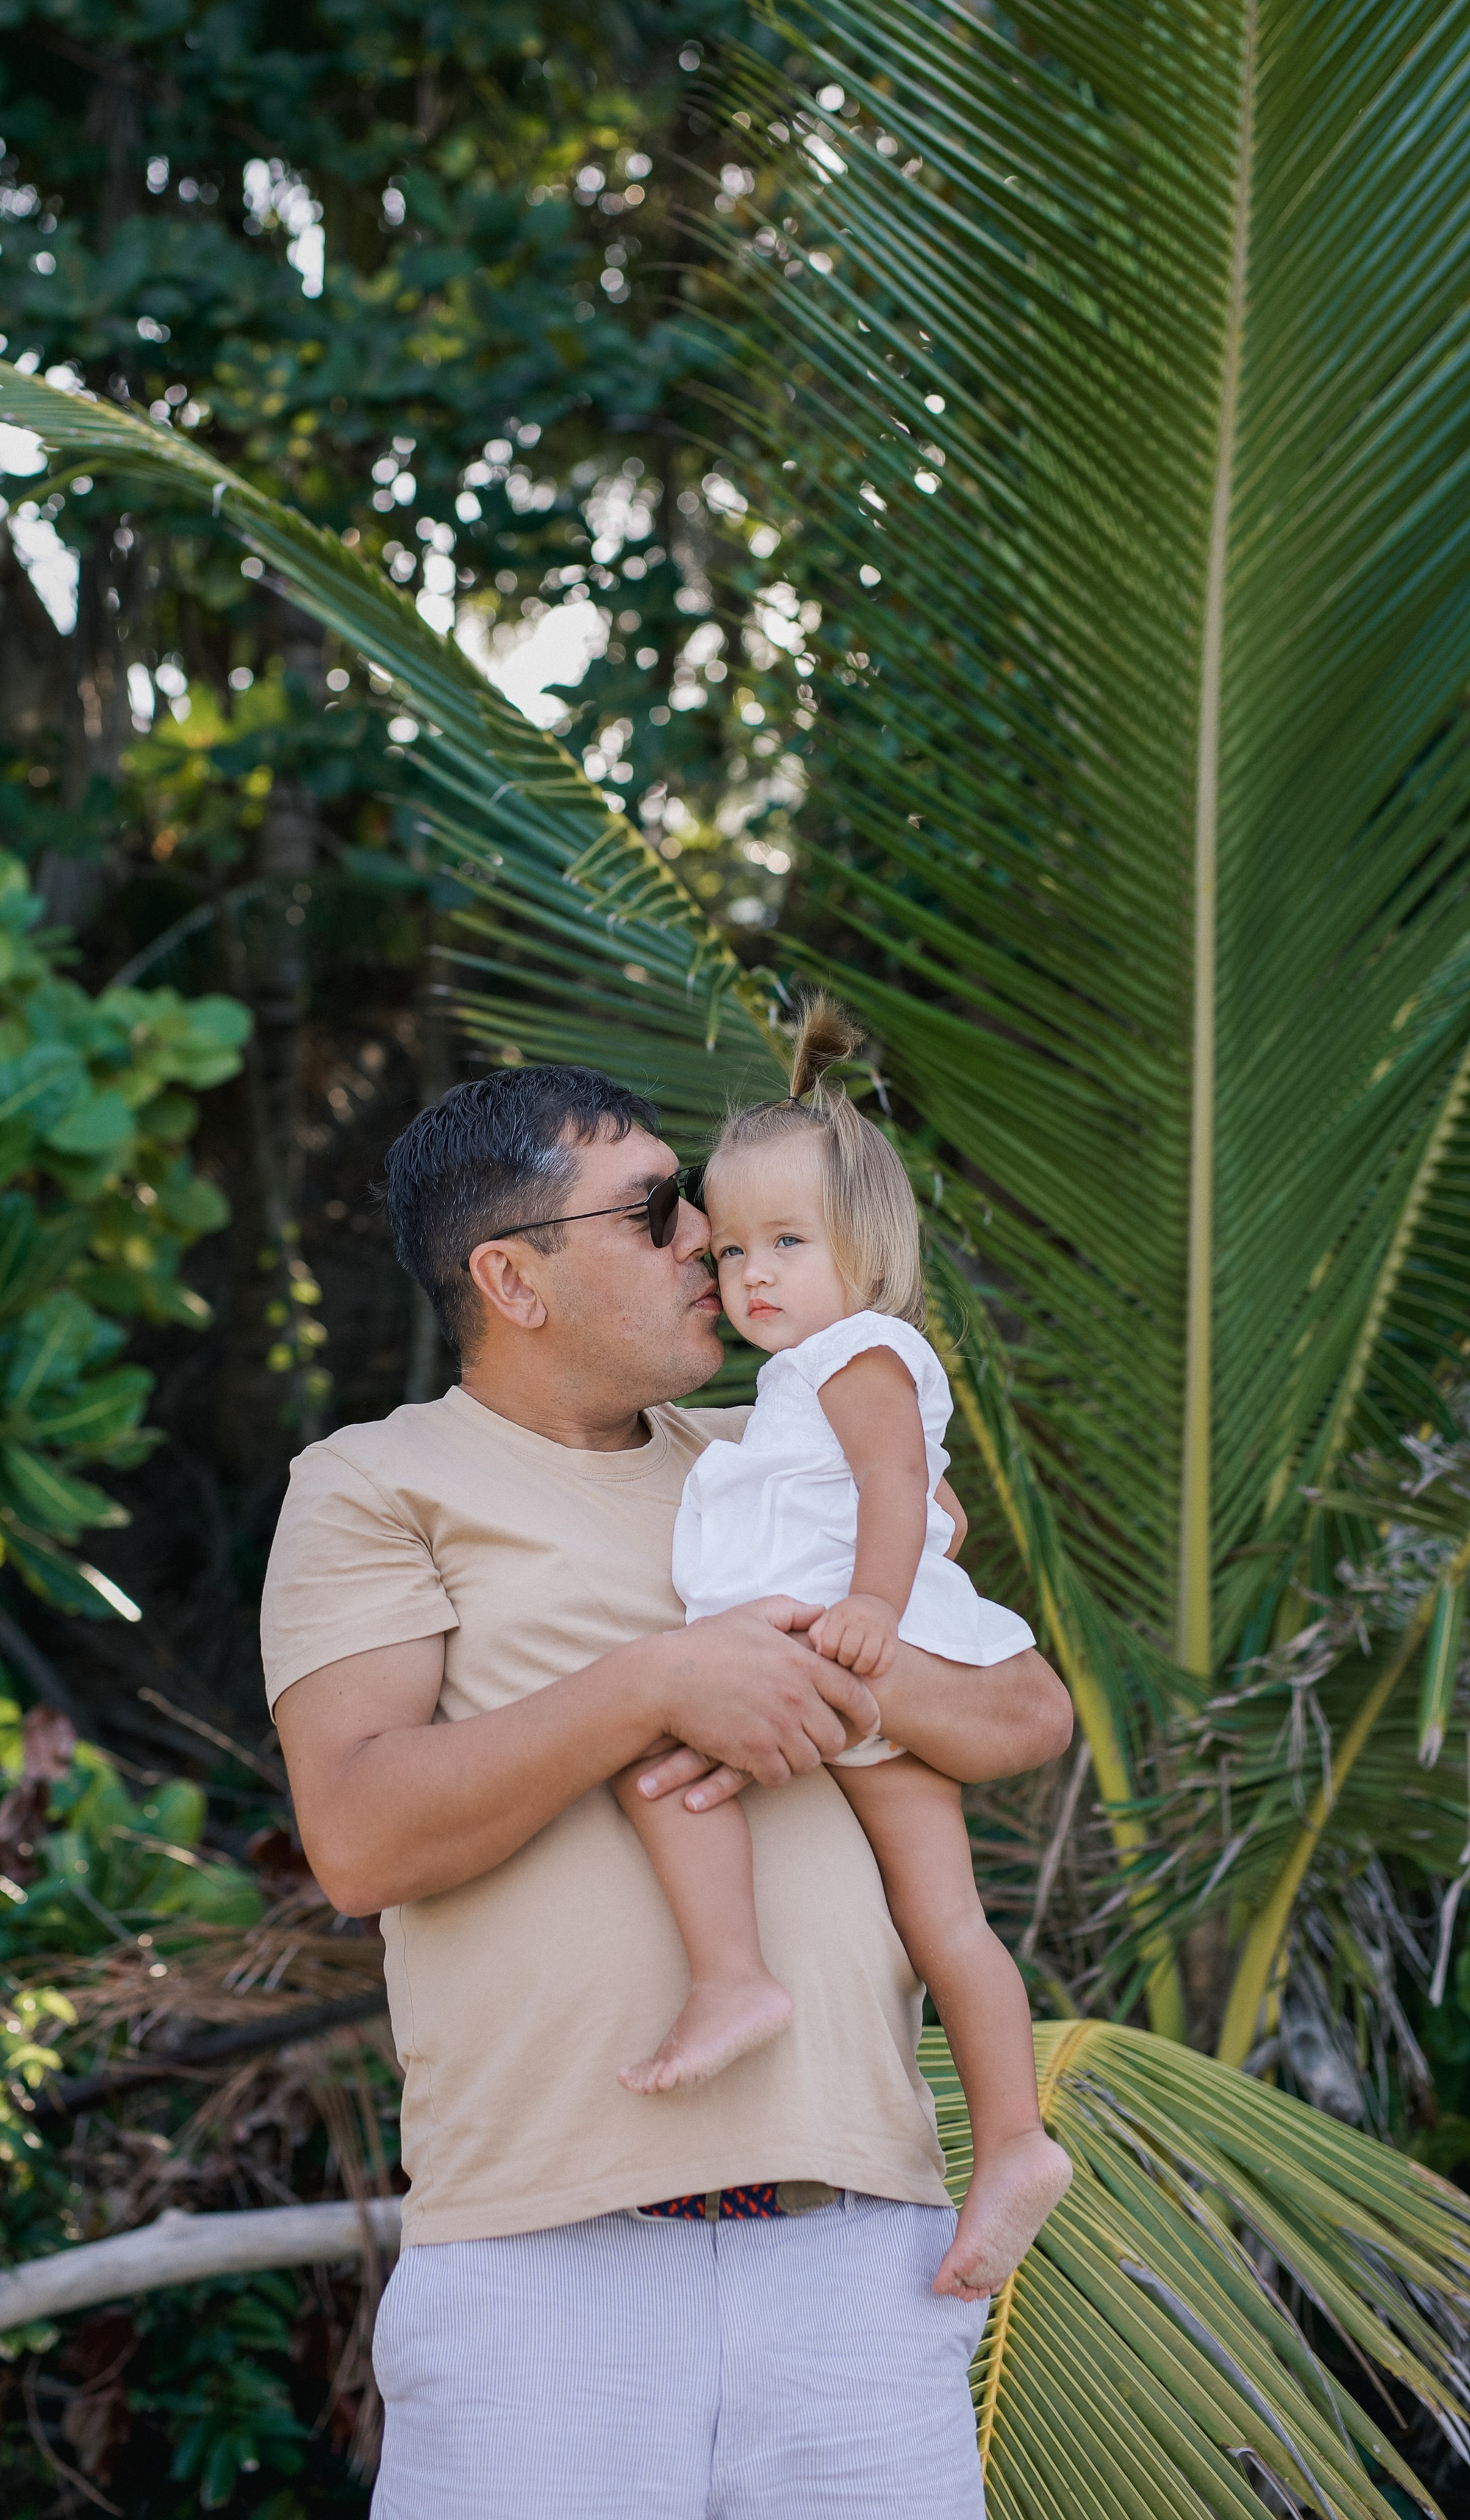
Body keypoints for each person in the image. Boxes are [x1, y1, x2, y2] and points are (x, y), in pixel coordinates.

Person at [263, 1062, 1073, 2520]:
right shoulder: (374, 1483)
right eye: (653, 1211)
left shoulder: (780, 1455)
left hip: (855, 2251)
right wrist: (654, 1685)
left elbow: (1022, 1712)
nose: (706, 1236)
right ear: (512, 1276)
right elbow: (358, 1834)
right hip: (543, 2264)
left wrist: (830, 1685)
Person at [611, 999, 1072, 2302]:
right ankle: (1017, 2143)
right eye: (733, 1245)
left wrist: (877, 1600)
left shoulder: (859, 1351)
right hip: (845, 1676)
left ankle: (734, 1979)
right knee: (944, 1922)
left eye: (789, 1244)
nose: (752, 1274)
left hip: (850, 1656)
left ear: (866, 1252)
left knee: (656, 1768)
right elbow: (910, 1490)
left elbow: (887, 1489)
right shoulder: (787, 1382)